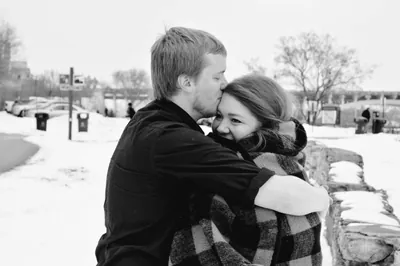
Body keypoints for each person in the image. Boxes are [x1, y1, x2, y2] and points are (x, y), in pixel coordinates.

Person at [95, 27, 330, 266]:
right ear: (187, 82)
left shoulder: (153, 121)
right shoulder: (170, 138)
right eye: (217, 76)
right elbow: (271, 190)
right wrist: (323, 199)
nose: (224, 84)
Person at [169, 74, 323, 266]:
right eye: (219, 116)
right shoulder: (290, 161)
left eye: (235, 121)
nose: (221, 127)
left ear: (266, 125)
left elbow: (197, 245)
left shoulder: (232, 171)